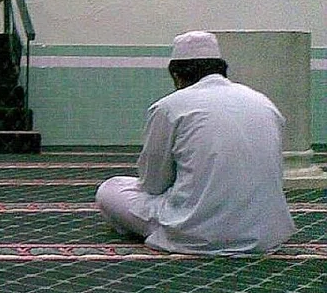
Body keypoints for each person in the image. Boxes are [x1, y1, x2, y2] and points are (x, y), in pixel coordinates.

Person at [95, 30, 295, 255]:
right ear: (221, 68)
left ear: (176, 75)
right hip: (265, 233)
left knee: (110, 189)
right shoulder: (263, 102)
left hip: (196, 233)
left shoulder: (170, 106)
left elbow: (153, 183)